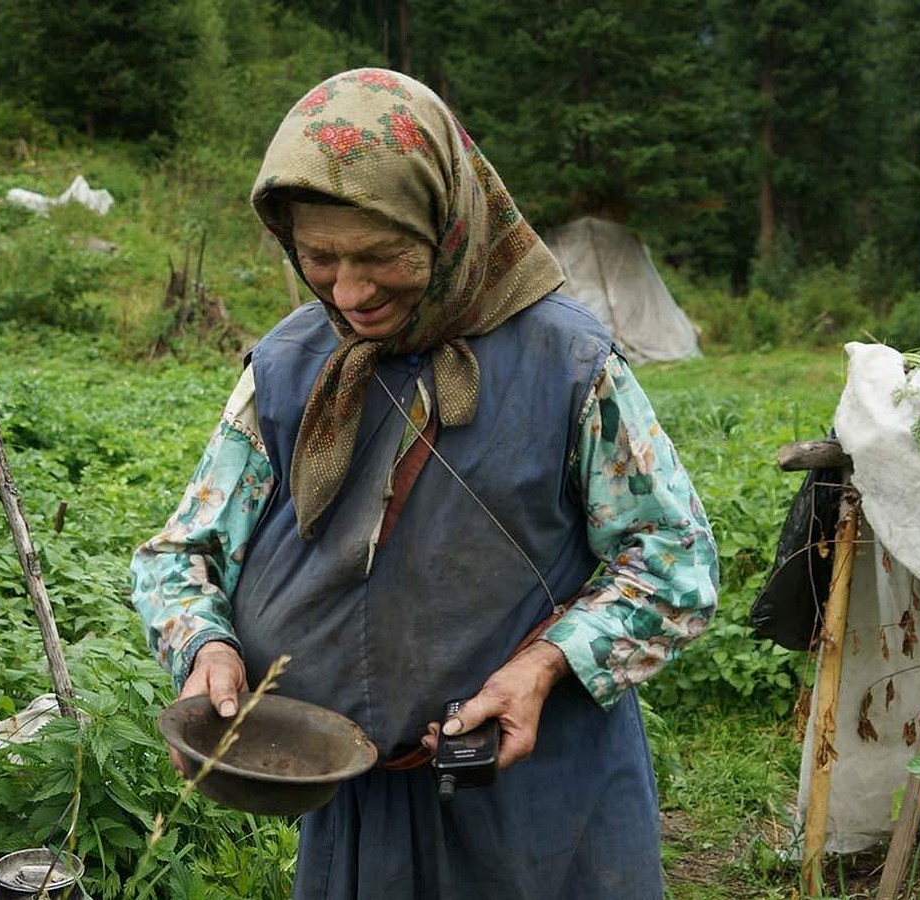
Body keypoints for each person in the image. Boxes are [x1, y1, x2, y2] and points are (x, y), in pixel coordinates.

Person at [131, 67, 718, 900]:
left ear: (447, 227)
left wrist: (547, 664)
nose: (350, 291)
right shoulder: (291, 365)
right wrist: (204, 646)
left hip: (537, 790)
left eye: (381, 255)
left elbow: (674, 556)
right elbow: (179, 551)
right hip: (360, 804)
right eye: (319, 257)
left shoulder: (565, 363)